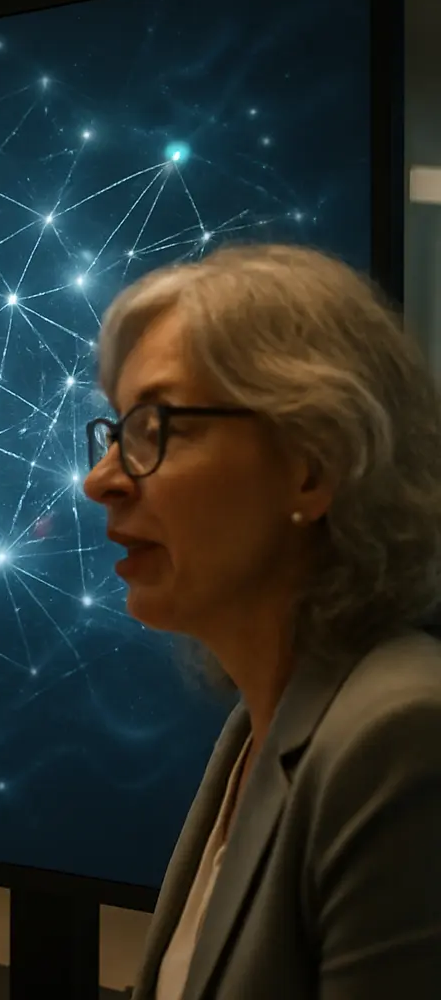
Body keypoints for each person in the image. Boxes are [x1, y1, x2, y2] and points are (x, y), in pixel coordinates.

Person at [82, 243, 441, 999]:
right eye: (115, 431)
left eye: (155, 427)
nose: (101, 479)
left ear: (313, 466)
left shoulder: (402, 737)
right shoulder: (259, 724)